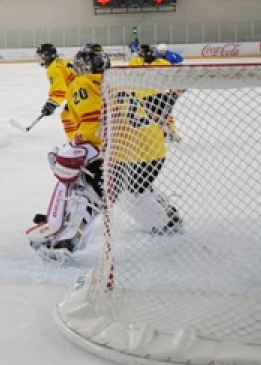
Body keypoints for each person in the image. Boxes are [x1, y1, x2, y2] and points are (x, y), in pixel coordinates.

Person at [26, 46, 180, 264]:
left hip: (120, 152)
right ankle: (166, 219)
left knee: (88, 189)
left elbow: (94, 124)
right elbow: (161, 99)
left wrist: (79, 149)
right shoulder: (123, 79)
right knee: (137, 189)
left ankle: (65, 241)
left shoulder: (82, 84)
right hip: (153, 150)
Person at [36, 44, 75, 121]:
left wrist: (52, 103)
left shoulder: (53, 68)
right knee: (68, 116)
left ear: (47, 56)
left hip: (83, 93)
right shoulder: (61, 62)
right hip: (84, 90)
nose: (40, 58)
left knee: (68, 117)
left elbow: (60, 88)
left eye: (41, 56)